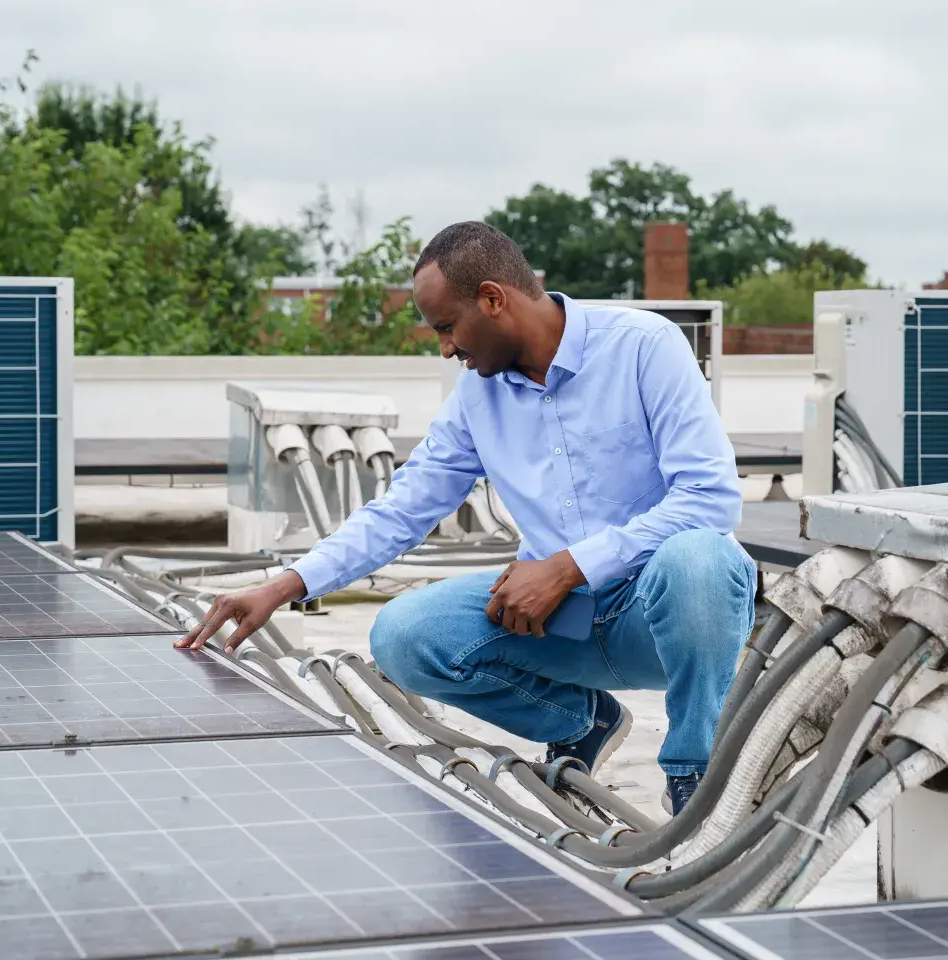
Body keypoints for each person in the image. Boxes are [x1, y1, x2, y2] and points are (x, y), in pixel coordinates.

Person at [177, 221, 756, 816]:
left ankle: (694, 772)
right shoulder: (478, 398)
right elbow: (402, 509)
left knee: (702, 557)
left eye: (447, 327)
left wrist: (565, 568)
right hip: (564, 624)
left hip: (664, 619)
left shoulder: (643, 346)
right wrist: (284, 585)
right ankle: (583, 721)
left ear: (493, 298)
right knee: (404, 636)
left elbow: (708, 500)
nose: (446, 348)